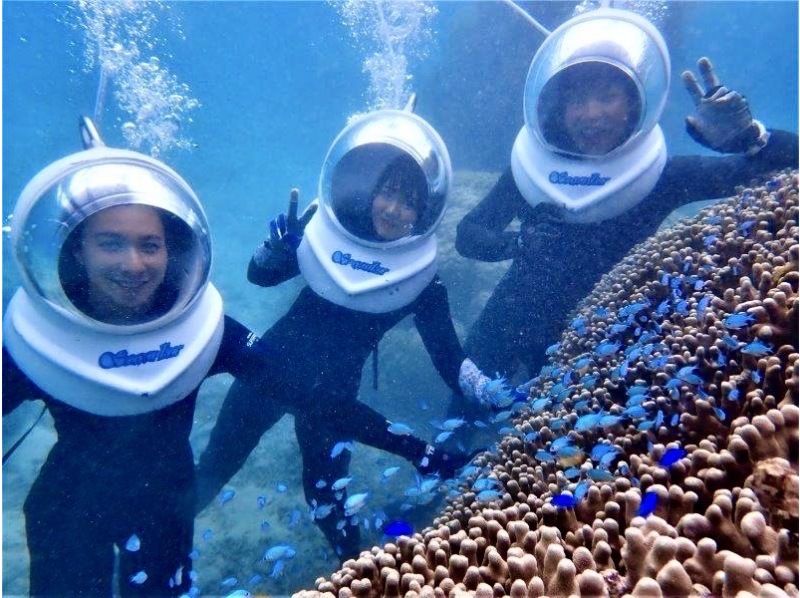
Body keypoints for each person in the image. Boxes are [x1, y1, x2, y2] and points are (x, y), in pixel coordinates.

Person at [195, 108, 499, 560]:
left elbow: (446, 354)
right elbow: (259, 277)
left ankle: (360, 580)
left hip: (333, 401)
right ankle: (148, 551)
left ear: (426, 210)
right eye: (388, 193)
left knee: (326, 502)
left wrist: (484, 388)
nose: (394, 210)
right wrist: (275, 250)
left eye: (409, 202)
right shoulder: (326, 233)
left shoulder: (419, 277)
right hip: (266, 375)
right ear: (370, 191)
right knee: (212, 472)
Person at [2, 117, 278, 597]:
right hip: (65, 513)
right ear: (77, 250)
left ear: (171, 250)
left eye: (150, 245)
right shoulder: (42, 334)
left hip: (165, 514)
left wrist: (415, 449)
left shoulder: (201, 329)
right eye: (110, 242)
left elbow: (301, 383)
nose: (133, 265)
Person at [455, 8, 799, 385]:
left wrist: (749, 138)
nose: (591, 114)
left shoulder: (657, 174)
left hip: (595, 350)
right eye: (576, 101)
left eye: (608, 96)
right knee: (462, 423)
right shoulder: (534, 171)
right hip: (505, 328)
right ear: (558, 108)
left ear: (635, 102)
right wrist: (516, 243)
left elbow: (780, 165)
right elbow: (469, 235)